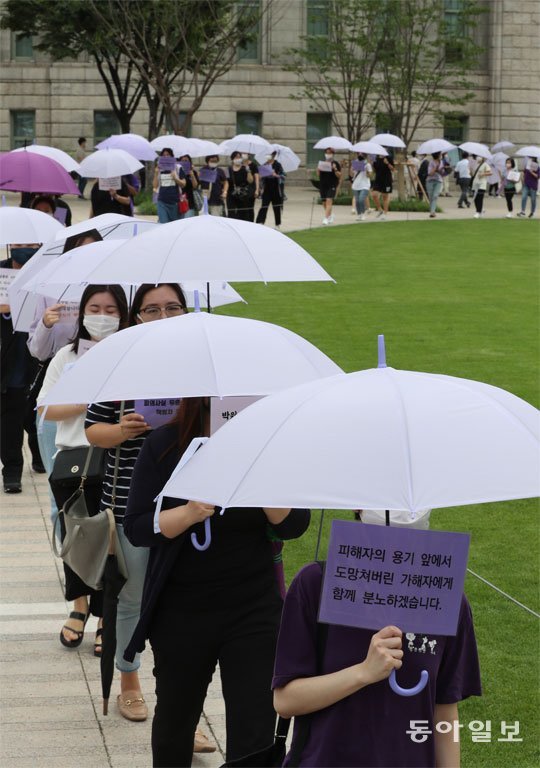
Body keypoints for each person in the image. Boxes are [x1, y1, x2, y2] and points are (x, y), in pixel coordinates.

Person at [122, 397, 310, 767]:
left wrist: (258, 479)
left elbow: (293, 524)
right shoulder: (165, 445)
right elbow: (138, 526)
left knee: (254, 725)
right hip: (181, 610)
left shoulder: (266, 447)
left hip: (253, 609)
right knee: (176, 719)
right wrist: (189, 513)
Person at [84, 283, 217, 754]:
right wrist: (123, 430)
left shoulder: (207, 363)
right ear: (136, 315)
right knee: (135, 600)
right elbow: (92, 430)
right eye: (151, 308)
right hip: (133, 509)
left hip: (199, 509)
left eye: (172, 306)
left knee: (183, 612)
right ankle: (129, 680)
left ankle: (182, 712)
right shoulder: (124, 365)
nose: (162, 315)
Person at [272, 510, 482, 768]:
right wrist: (363, 672)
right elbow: (286, 700)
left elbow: (445, 712)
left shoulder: (446, 600)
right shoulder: (315, 584)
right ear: (358, 509)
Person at [37, 284, 129, 652]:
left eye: (110, 309)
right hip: (74, 458)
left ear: (122, 314)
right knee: (74, 533)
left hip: (116, 456)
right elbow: (46, 408)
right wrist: (86, 402)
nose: (102, 316)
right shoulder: (67, 356)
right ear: (82, 312)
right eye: (94, 307)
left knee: (111, 537)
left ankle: (107, 614)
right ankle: (79, 608)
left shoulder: (131, 355)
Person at [28, 230, 104, 525]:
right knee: (60, 493)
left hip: (105, 403)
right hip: (59, 389)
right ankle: (71, 563)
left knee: (101, 494)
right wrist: (46, 325)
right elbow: (37, 350)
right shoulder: (51, 290)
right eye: (82, 251)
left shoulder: (115, 290)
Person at [1, 244, 43, 492]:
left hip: (26, 360)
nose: (24, 249)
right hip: (4, 359)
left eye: (29, 245)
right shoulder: (1, 275)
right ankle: (18, 468)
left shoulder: (44, 275)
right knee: (13, 419)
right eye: (18, 244)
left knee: (22, 417)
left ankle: (24, 465)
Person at [153, 148, 186, 224]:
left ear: (172, 156)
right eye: (164, 155)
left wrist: (175, 178)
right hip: (162, 201)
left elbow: (183, 184)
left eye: (168, 155)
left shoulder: (178, 168)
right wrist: (156, 173)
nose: (166, 157)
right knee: (163, 224)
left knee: (174, 226)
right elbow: (155, 186)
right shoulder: (159, 169)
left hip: (175, 202)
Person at [256, 152, 285, 228]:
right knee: (264, 206)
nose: (268, 156)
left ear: (273, 156)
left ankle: (277, 223)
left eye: (270, 155)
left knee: (276, 207)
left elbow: (283, 176)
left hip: (276, 188)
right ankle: (260, 221)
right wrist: (261, 176)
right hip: (267, 189)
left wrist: (276, 175)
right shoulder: (265, 165)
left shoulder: (278, 165)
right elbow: (261, 177)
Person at [227, 152, 254, 221]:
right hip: (231, 193)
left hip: (243, 194)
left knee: (243, 213)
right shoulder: (228, 169)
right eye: (236, 157)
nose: (238, 159)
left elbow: (250, 181)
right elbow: (226, 181)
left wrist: (248, 169)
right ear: (232, 159)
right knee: (231, 212)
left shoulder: (244, 168)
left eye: (239, 157)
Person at [317, 147, 341, 226]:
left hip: (332, 185)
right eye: (327, 153)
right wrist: (318, 169)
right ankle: (330, 215)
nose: (328, 154)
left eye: (330, 153)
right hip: (323, 185)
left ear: (333, 154)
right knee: (324, 202)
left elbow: (339, 175)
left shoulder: (335, 163)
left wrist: (335, 169)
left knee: (329, 200)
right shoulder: (322, 163)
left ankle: (326, 218)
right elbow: (318, 174)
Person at [371, 154, 394, 221]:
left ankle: (385, 213)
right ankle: (380, 209)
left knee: (385, 196)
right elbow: (375, 170)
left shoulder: (388, 157)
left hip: (387, 180)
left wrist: (387, 163)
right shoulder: (375, 158)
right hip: (378, 179)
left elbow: (393, 169)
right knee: (374, 194)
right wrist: (372, 163)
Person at [351, 153, 372, 221]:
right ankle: (359, 214)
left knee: (361, 200)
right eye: (359, 154)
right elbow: (351, 175)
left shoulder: (367, 165)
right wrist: (351, 169)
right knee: (357, 201)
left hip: (365, 185)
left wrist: (366, 171)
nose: (360, 156)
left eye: (362, 155)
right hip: (356, 185)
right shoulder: (355, 163)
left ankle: (363, 214)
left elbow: (370, 175)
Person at [177, 154, 200, 219]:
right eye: (182, 161)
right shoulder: (176, 171)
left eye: (186, 161)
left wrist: (192, 174)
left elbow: (195, 186)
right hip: (178, 202)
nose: (184, 162)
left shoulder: (193, 172)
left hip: (189, 202)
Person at [425, 152, 445, 219]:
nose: (441, 156)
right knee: (431, 197)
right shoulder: (431, 162)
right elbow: (430, 173)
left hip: (438, 181)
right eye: (440, 154)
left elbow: (442, 172)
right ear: (437, 155)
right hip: (430, 181)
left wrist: (444, 170)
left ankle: (432, 212)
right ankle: (432, 210)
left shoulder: (441, 162)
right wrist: (435, 168)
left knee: (435, 196)